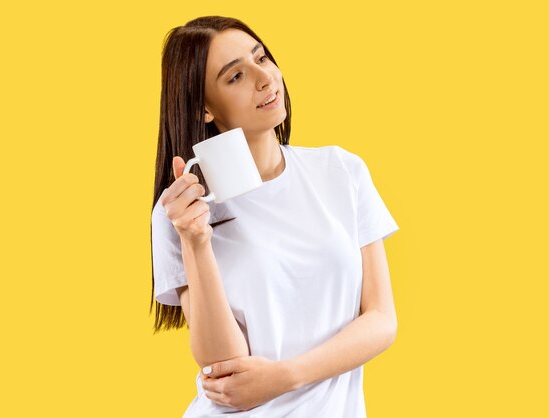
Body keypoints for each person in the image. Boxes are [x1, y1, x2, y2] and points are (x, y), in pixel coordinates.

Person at [150, 16, 400, 418]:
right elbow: (222, 369)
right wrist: (195, 239)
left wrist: (288, 376)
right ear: (205, 108)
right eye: (235, 77)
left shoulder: (341, 171)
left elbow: (381, 319)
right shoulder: (179, 214)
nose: (264, 78)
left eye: (261, 58)